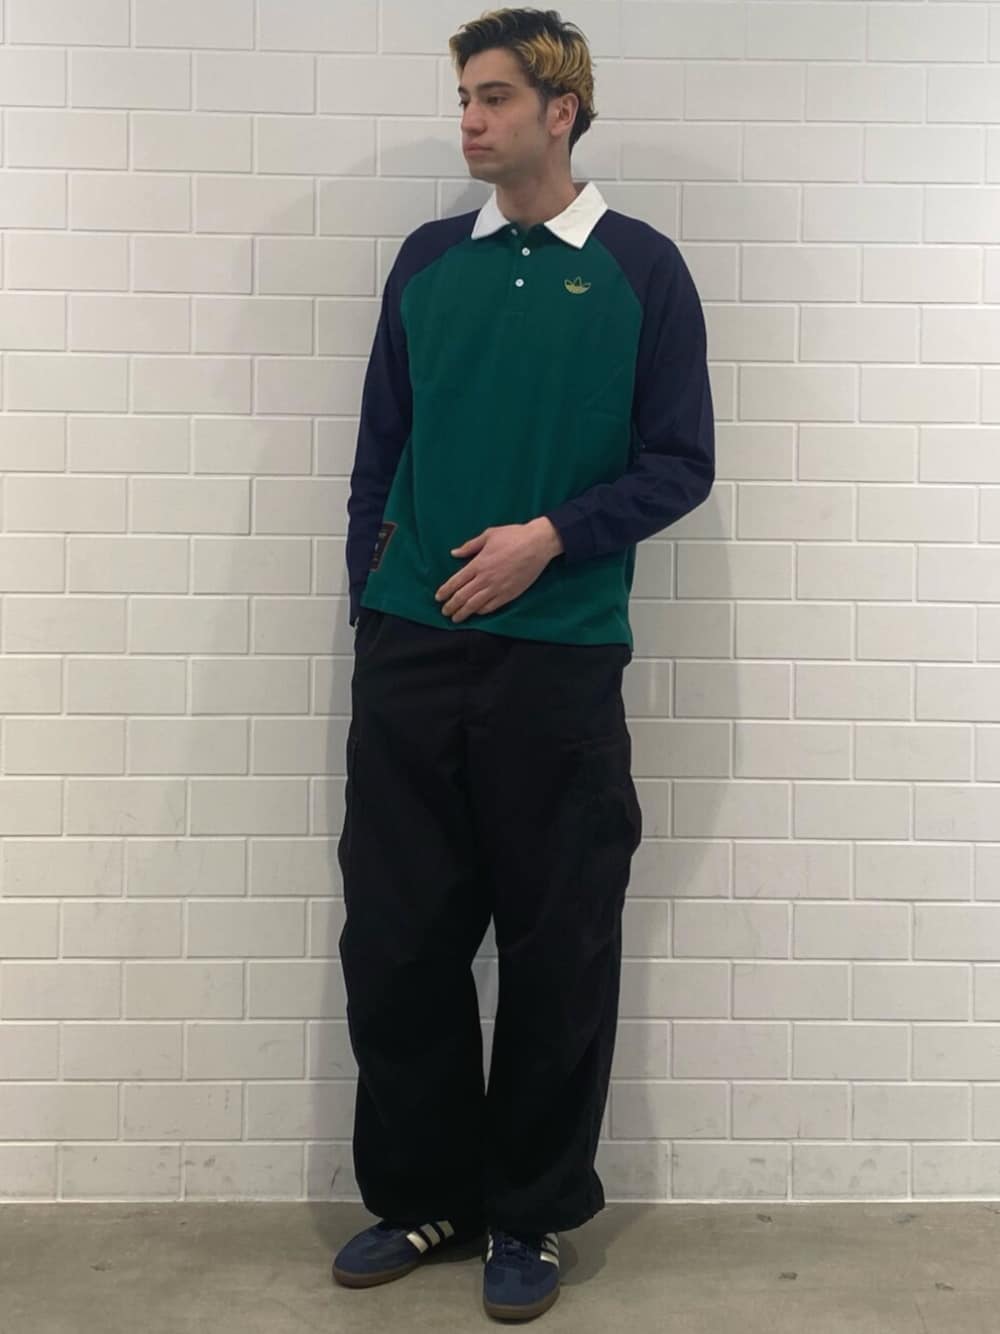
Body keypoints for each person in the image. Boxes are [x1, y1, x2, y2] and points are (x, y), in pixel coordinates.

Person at [331, 6, 714, 1322]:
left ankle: (530, 1213)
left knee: (559, 944)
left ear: (562, 110)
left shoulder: (642, 270)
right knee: (398, 939)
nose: (470, 120)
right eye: (463, 98)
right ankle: (424, 1194)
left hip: (559, 662)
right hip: (412, 652)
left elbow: (680, 462)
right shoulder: (428, 261)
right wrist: (374, 598)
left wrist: (549, 538)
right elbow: (381, 445)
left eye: (493, 96)